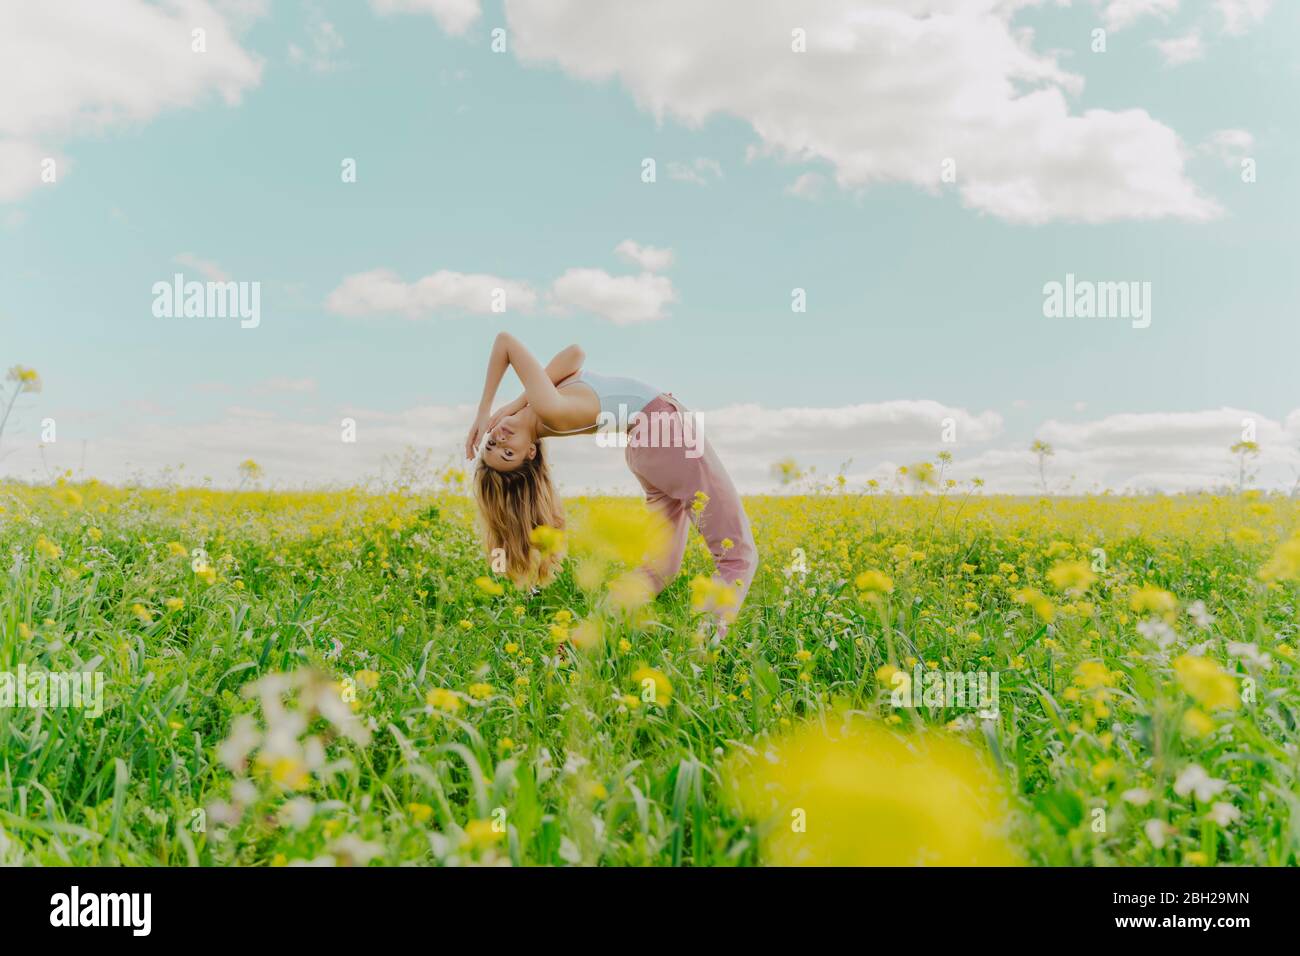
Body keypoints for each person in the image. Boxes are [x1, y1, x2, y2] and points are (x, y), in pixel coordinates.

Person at [466, 332, 757, 622]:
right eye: (507, 454)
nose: (500, 441)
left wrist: (514, 404)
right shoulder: (548, 409)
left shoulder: (540, 404)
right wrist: (484, 411)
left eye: (492, 444)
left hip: (646, 446)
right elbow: (505, 341)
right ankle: (704, 648)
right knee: (737, 556)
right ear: (529, 453)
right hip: (663, 432)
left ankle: (586, 637)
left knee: (659, 569)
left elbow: (574, 353)